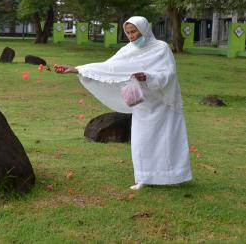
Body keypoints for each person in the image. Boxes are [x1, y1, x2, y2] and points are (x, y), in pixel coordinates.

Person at [62, 16, 192, 190]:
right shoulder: (127, 50)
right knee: (142, 140)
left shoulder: (161, 48)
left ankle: (172, 174)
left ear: (144, 30)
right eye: (128, 32)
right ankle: (143, 177)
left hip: (162, 102)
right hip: (142, 103)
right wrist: (78, 69)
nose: (131, 36)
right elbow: (109, 67)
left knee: (165, 139)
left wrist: (148, 76)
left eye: (134, 32)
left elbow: (168, 74)